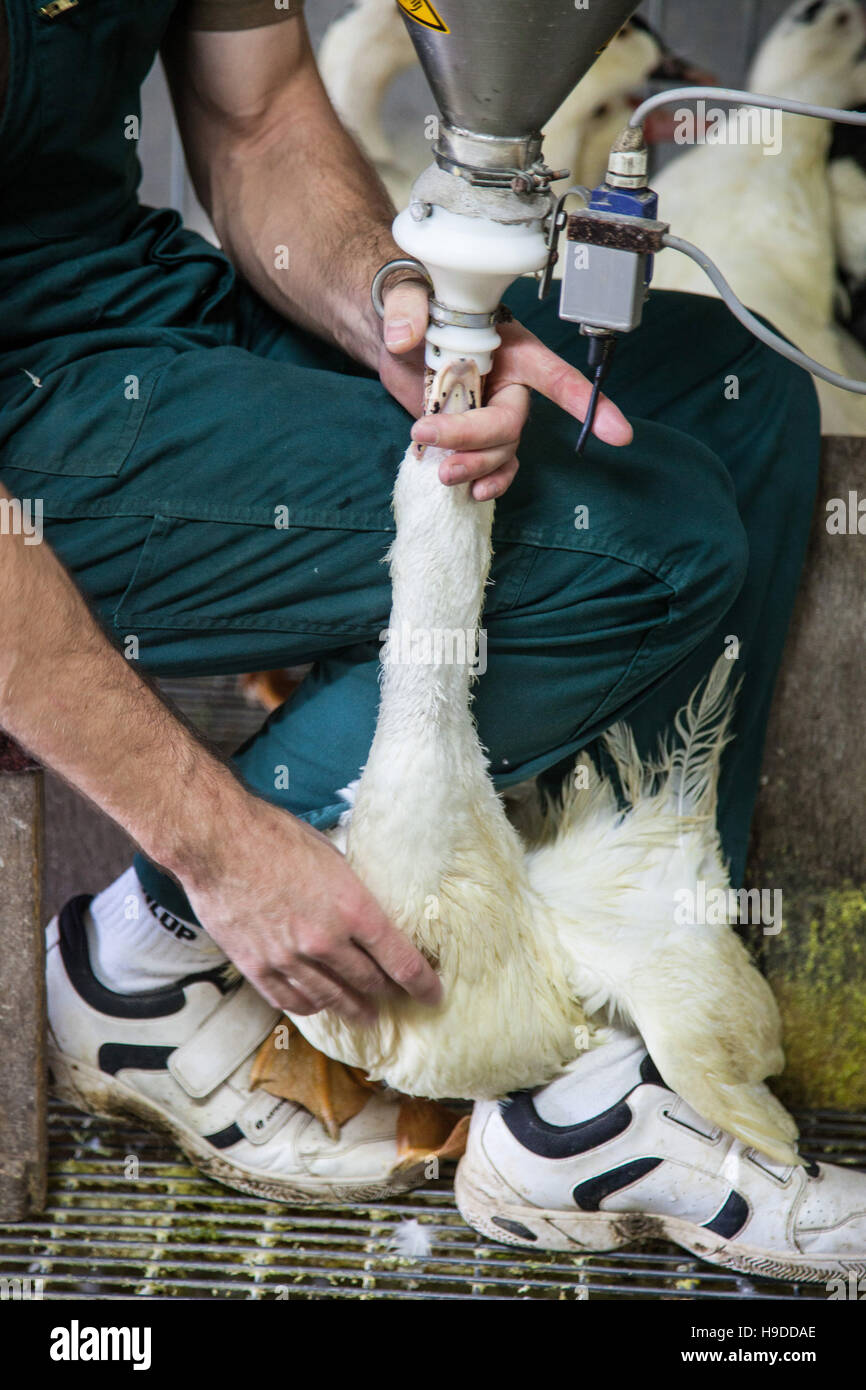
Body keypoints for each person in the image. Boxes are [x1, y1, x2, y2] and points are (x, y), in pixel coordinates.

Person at [2, 0, 864, 1277]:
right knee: (637, 537)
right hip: (24, 418)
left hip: (123, 299)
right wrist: (224, 849)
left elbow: (256, 113)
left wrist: (401, 310)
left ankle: (598, 1083)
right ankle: (149, 960)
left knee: (726, 394)